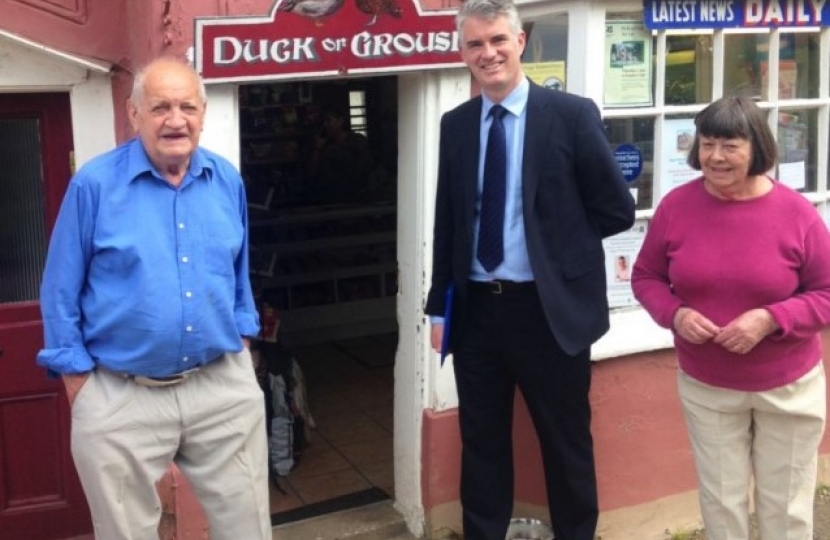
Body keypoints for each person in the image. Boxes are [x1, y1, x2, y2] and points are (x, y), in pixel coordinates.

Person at [423, 1, 635, 539]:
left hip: (549, 312)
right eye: (475, 45)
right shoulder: (456, 125)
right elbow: (449, 220)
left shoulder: (569, 115)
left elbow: (616, 209)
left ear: (521, 42)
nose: (487, 53)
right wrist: (436, 307)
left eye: (497, 40)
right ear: (463, 53)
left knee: (565, 442)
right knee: (483, 441)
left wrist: (555, 256)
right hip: (476, 312)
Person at [36, 57, 272, 540]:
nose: (176, 119)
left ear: (203, 114)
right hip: (122, 393)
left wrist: (244, 340)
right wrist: (79, 382)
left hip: (220, 387)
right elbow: (60, 287)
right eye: (160, 106)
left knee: (248, 528)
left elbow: (237, 270)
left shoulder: (225, 179)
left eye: (187, 106)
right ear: (134, 113)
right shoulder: (94, 185)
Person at [631, 96, 830, 540]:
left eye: (730, 145)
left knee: (787, 506)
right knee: (722, 501)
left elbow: (826, 293)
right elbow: (645, 276)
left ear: (756, 147)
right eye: (707, 144)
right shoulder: (675, 207)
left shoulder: (796, 214)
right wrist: (675, 314)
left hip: (788, 387)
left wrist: (771, 318)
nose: (715, 157)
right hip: (708, 386)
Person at [307, 107, 378, 204]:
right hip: (331, 196)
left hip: (356, 195)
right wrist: (317, 148)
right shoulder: (323, 144)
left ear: (340, 121)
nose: (325, 125)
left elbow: (366, 168)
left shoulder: (357, 140)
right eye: (324, 121)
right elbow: (312, 173)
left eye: (329, 120)